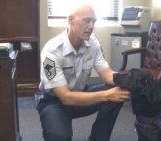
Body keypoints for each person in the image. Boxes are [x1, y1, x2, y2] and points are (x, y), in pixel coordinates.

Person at [36, 2, 130, 141]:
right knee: (59, 136)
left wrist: (129, 80)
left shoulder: (93, 44)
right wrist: (106, 95)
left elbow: (107, 75)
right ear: (70, 20)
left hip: (80, 97)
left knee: (117, 90)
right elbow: (65, 97)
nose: (91, 26)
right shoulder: (51, 51)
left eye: (93, 21)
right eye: (87, 20)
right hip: (55, 103)